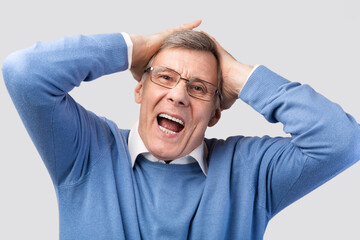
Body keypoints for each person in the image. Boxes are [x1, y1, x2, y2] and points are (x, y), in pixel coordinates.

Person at [2, 20, 360, 240]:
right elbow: (24, 72)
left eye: (200, 88)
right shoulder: (85, 151)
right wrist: (131, 49)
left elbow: (342, 141)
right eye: (165, 77)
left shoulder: (250, 171)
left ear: (216, 113)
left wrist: (239, 76)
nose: (178, 96)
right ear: (140, 90)